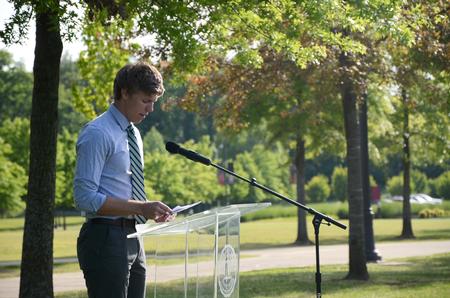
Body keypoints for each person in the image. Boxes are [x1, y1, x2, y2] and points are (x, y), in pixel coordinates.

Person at [74, 61, 173, 298]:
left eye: (154, 102)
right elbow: (84, 197)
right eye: (145, 100)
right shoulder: (98, 133)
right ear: (124, 93)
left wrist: (149, 210)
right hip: (104, 237)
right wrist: (141, 207)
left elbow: (125, 186)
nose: (150, 109)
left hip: (132, 235)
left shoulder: (133, 132)